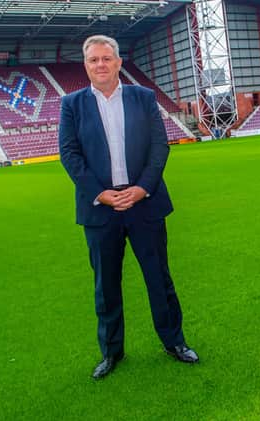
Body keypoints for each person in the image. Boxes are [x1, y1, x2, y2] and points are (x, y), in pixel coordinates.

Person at [59, 35, 199, 380]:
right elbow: (70, 155)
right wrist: (101, 193)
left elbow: (159, 146)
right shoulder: (72, 105)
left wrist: (142, 188)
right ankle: (111, 351)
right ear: (86, 65)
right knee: (106, 285)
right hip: (100, 209)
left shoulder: (143, 97)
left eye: (107, 58)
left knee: (159, 278)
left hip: (144, 204)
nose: (101, 65)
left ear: (119, 62)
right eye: (93, 60)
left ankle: (174, 341)